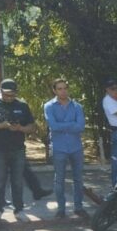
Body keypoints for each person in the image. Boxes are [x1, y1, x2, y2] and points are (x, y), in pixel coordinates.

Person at [0, 78, 37, 222]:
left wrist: (21, 128)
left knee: (17, 181)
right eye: (6, 94)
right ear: (1, 91)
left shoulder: (22, 105)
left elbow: (32, 126)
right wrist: (1, 125)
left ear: (16, 93)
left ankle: (19, 210)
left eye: (12, 95)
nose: (9, 97)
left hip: (18, 149)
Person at [43, 78, 88, 219]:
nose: (63, 91)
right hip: (59, 147)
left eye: (65, 88)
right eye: (60, 88)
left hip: (76, 147)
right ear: (54, 90)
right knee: (59, 179)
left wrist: (62, 124)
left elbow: (80, 126)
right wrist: (70, 124)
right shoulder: (49, 106)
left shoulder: (77, 107)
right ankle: (61, 209)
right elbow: (53, 126)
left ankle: (78, 207)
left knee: (78, 179)